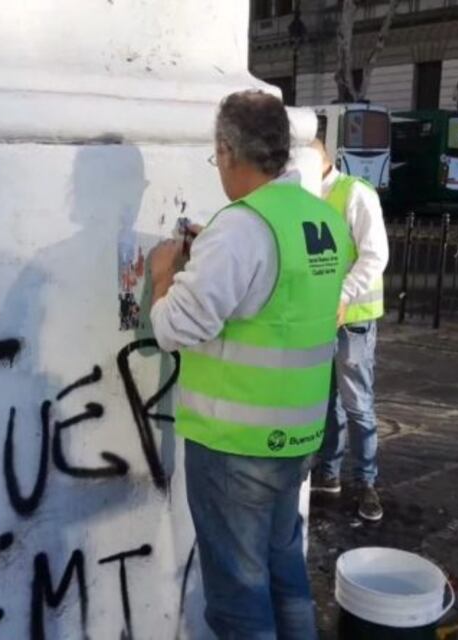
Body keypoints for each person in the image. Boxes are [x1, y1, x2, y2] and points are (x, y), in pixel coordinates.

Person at [148, 91, 351, 640]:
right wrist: (211, 253)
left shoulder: (240, 228)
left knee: (239, 599)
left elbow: (173, 328)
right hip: (298, 435)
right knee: (285, 572)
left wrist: (165, 275)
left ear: (228, 150)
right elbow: (279, 302)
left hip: (237, 448)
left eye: (217, 159)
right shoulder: (319, 218)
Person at [309, 139, 389, 523]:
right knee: (327, 400)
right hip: (319, 318)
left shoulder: (353, 193)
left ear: (321, 158)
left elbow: (375, 254)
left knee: (357, 402)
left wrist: (342, 295)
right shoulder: (305, 195)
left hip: (352, 317)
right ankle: (328, 474)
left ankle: (366, 483)